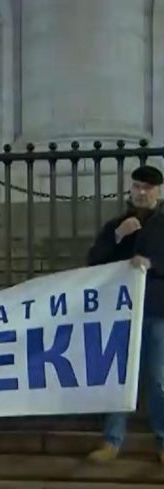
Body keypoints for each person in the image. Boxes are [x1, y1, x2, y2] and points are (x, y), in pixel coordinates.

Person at [86, 165, 164, 465]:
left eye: (147, 188)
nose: (141, 193)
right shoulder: (118, 224)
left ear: (158, 191)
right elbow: (94, 262)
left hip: (156, 309)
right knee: (118, 375)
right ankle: (112, 439)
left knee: (156, 378)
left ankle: (162, 438)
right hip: (121, 311)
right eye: (137, 187)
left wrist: (153, 263)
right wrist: (118, 236)